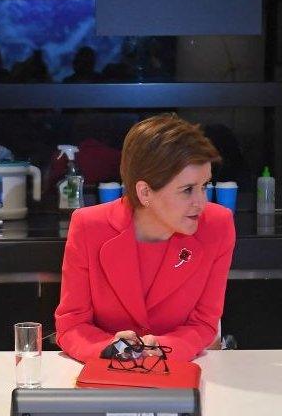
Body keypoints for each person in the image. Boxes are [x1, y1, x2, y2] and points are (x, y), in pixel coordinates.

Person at [55, 114, 235, 362]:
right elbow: (72, 325)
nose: (202, 202)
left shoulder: (217, 225)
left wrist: (164, 348)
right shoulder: (88, 226)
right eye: (187, 190)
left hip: (185, 370)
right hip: (107, 375)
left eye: (204, 186)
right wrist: (112, 349)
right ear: (145, 192)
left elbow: (204, 322)